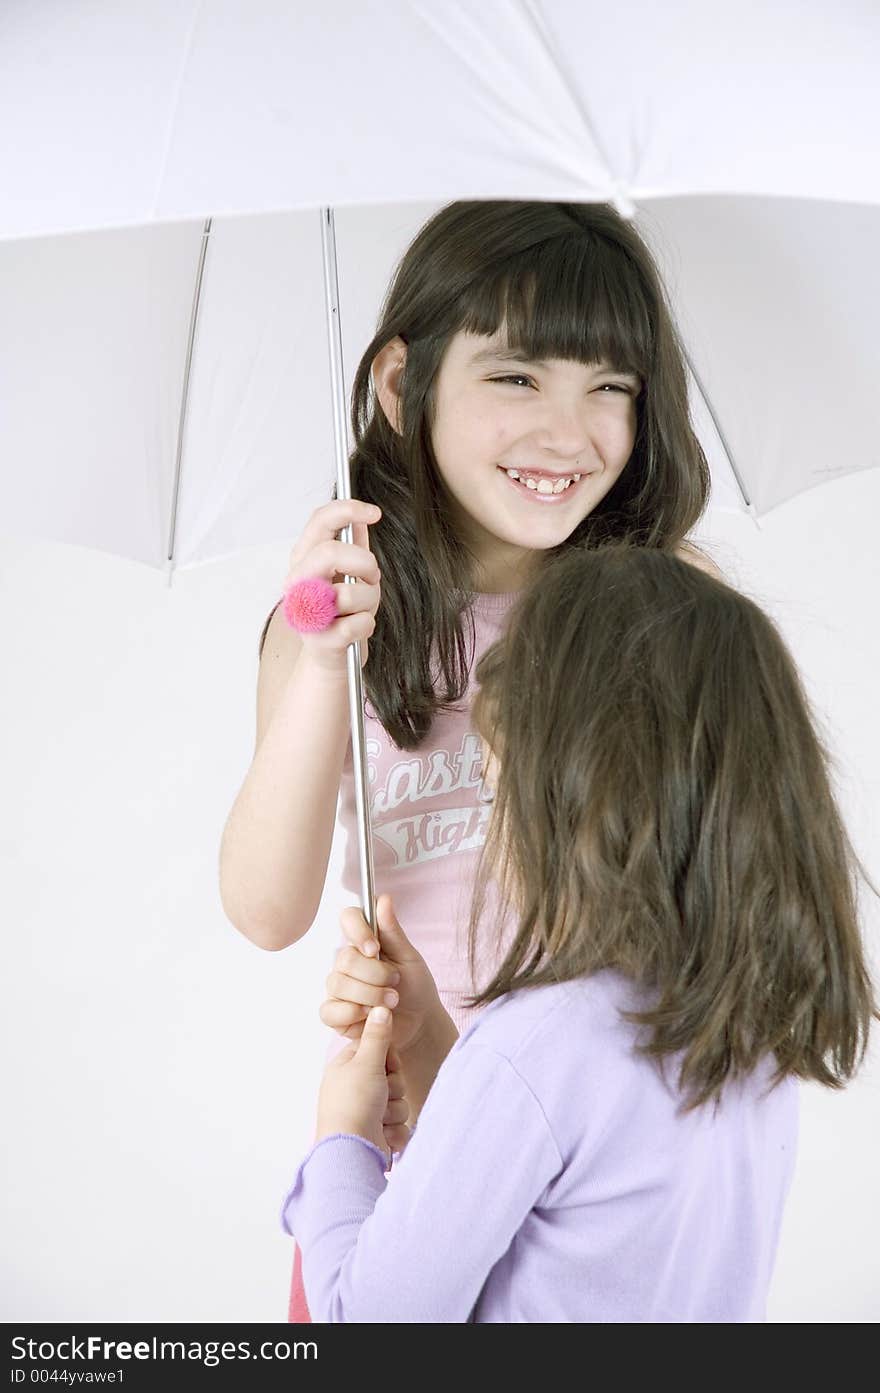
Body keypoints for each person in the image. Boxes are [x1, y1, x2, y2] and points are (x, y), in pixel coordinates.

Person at [219, 200, 714, 1320]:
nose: (568, 430)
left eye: (611, 388)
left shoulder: (667, 615)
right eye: (517, 378)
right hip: (403, 1155)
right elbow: (263, 906)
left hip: (596, 1175)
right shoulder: (343, 635)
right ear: (401, 386)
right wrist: (312, 664)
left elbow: (717, 898)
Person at [285, 546, 876, 1323]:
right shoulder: (752, 1044)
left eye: (497, 790)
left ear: (579, 807)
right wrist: (433, 1044)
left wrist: (344, 1140)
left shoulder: (534, 1045)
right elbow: (565, 1203)